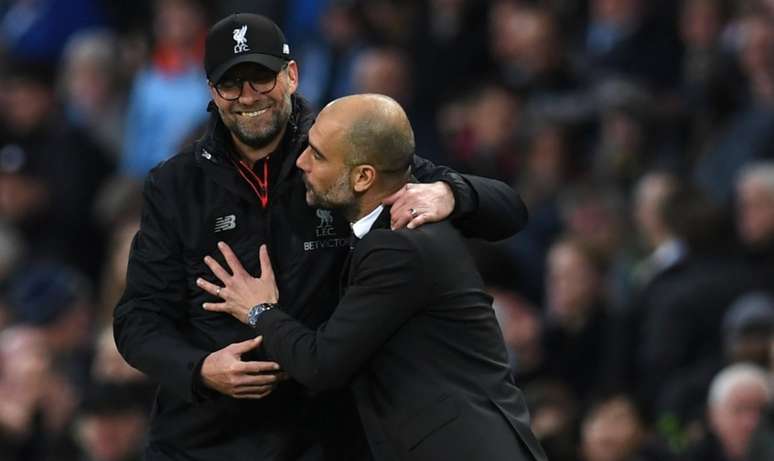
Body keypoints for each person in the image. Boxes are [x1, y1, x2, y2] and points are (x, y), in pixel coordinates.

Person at [114, 13, 529, 461]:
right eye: (231, 84)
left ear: (291, 75)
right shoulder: (174, 185)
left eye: (261, 78)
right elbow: (137, 318)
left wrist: (453, 192)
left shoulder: (341, 153)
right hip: (201, 441)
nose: (248, 96)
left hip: (322, 438)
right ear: (212, 91)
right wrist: (200, 370)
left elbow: (508, 211)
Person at [197, 94, 545, 461]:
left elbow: (322, 364)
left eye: (316, 155)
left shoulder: (396, 246)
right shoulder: (390, 212)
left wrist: (259, 309)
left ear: (363, 177)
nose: (301, 162)